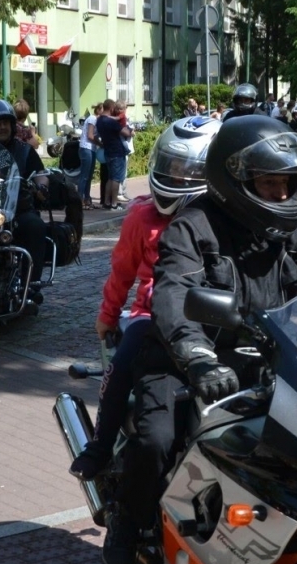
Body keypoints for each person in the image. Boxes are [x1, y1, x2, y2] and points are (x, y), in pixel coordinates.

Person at [108, 116, 297, 564]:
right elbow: (174, 293)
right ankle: (130, 521)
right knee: (156, 438)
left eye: (288, 184)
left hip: (271, 361)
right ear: (234, 181)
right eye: (270, 183)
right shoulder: (193, 228)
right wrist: (196, 356)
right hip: (186, 360)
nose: (281, 195)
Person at [70, 116, 221, 481]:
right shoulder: (141, 215)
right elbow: (122, 271)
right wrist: (108, 315)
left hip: (211, 324)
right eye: (171, 166)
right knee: (124, 360)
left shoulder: (222, 219)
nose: (177, 177)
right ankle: (101, 445)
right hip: (150, 316)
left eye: (189, 170)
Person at [0, 99, 51, 288]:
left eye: (5, 123)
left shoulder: (24, 151)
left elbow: (41, 174)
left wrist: (41, 186)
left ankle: (30, 285)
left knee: (35, 226)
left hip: (16, 210)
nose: (2, 127)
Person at [97, 99, 132, 208]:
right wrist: (131, 130)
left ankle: (107, 202)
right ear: (111, 108)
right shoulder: (110, 122)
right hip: (117, 152)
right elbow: (126, 132)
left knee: (110, 178)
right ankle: (114, 203)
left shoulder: (99, 121)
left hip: (108, 151)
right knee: (116, 179)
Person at [78, 102, 101, 208]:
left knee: (89, 175)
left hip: (92, 149)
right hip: (86, 148)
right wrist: (101, 144)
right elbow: (90, 136)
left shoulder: (97, 120)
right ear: (99, 110)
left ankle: (87, 198)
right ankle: (80, 199)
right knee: (84, 175)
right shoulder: (92, 118)